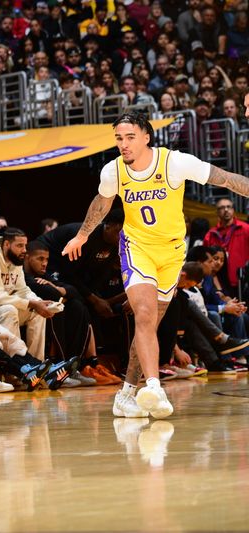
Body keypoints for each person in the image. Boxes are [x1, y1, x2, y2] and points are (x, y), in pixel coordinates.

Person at [62, 112, 249, 420]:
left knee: (150, 324)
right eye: (119, 139)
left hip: (173, 253)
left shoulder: (175, 163)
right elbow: (102, 201)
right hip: (137, 249)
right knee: (145, 315)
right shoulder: (114, 171)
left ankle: (126, 394)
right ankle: (154, 387)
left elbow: (226, 179)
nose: (123, 144)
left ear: (146, 136)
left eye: (130, 137)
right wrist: (82, 235)